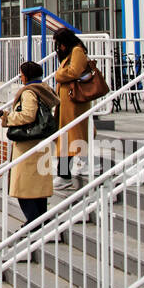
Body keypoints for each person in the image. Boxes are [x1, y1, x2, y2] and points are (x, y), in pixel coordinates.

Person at [0, 61, 58, 260]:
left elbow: (28, 115)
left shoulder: (29, 92)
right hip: (40, 145)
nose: (20, 76)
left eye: (21, 73)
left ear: (26, 75)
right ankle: (40, 222)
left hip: (29, 146)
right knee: (37, 189)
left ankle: (33, 222)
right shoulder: (44, 89)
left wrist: (8, 117)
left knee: (23, 188)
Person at [52, 27, 91, 188]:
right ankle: (67, 171)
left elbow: (74, 72)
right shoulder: (72, 52)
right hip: (66, 102)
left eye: (59, 43)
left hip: (73, 102)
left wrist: (58, 75)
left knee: (68, 138)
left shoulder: (77, 51)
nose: (58, 47)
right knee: (66, 137)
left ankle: (64, 175)